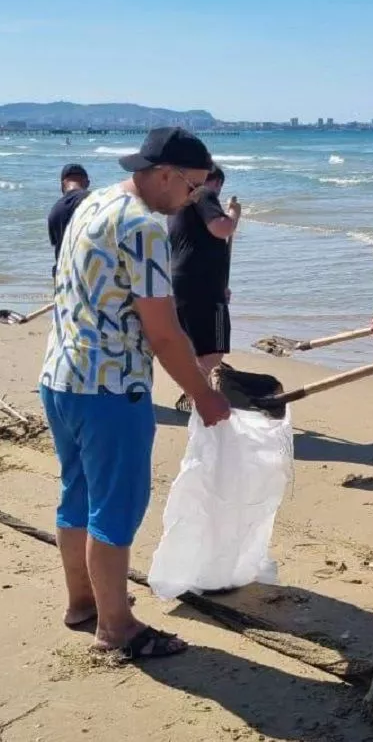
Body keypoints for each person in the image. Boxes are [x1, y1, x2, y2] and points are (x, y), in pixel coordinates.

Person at [39, 126, 232, 659]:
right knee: (115, 508)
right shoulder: (144, 227)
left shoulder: (91, 203)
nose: (195, 198)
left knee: (77, 495)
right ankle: (116, 628)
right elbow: (163, 332)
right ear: (165, 175)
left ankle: (83, 602)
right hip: (111, 387)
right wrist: (204, 395)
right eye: (193, 187)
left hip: (61, 376)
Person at [167, 165, 240, 408]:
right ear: (216, 182)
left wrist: (220, 283)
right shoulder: (203, 193)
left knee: (196, 345)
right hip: (203, 285)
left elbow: (196, 244)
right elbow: (222, 228)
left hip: (182, 282)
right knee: (214, 348)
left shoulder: (178, 205)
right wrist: (233, 215)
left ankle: (197, 391)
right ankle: (197, 393)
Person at [47, 163, 91, 268]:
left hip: (64, 272)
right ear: (87, 183)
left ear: (62, 184)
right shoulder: (95, 201)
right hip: (92, 270)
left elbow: (58, 245)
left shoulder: (55, 210)